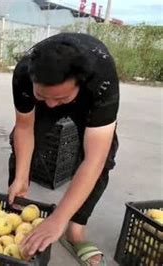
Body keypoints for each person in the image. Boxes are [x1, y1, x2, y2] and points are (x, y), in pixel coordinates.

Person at [8, 33, 119, 265]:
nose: (50, 104)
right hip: (54, 92)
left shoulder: (101, 78)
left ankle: (75, 231)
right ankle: (13, 219)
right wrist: (21, 174)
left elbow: (95, 159)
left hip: (86, 103)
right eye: (42, 95)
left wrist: (58, 219)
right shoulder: (23, 74)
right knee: (18, 154)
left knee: (105, 158)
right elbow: (24, 128)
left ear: (80, 82)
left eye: (59, 98)